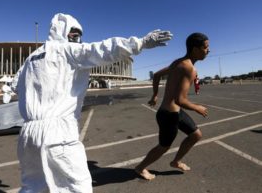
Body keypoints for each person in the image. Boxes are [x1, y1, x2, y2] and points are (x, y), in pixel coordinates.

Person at [11, 13, 173, 193]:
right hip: (58, 133)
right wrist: (140, 43)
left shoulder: (31, 58)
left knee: (34, 187)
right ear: (63, 32)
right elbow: (102, 50)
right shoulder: (66, 51)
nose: (77, 38)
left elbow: (15, 85)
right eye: (74, 33)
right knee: (77, 187)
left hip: (27, 135)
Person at [135, 32, 209, 180]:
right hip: (169, 115)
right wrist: (197, 107)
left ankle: (176, 161)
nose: (208, 50)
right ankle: (140, 168)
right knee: (163, 146)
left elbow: (156, 75)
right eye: (206, 47)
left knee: (196, 135)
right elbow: (180, 99)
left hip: (174, 112)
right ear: (195, 49)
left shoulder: (178, 62)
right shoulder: (188, 68)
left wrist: (155, 95)